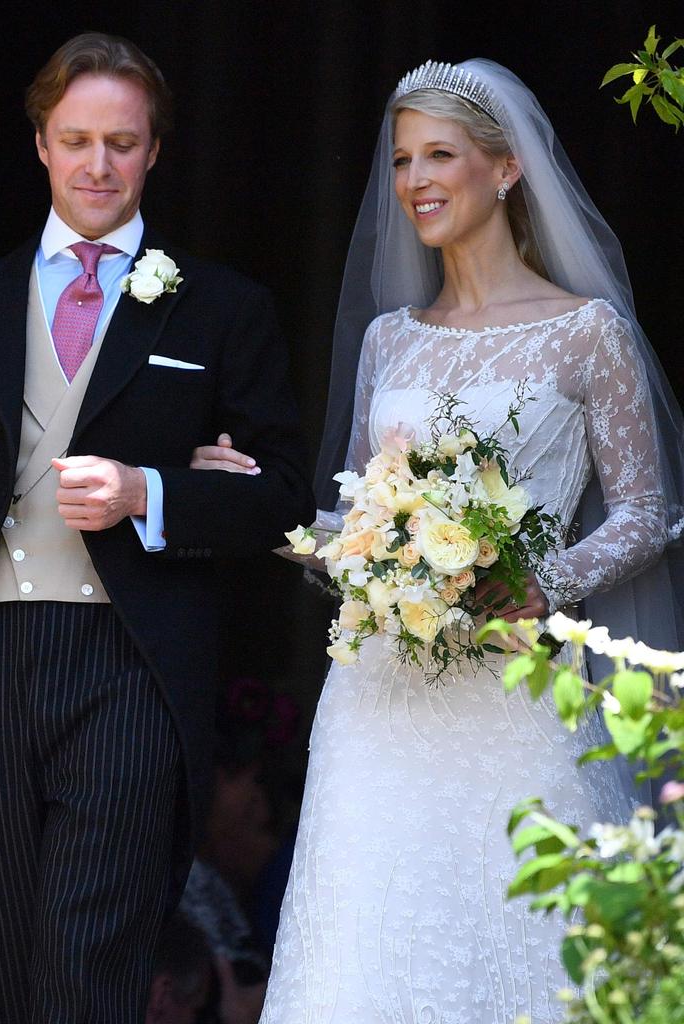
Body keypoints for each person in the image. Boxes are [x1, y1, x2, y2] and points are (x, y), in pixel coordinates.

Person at [198, 59, 684, 1021]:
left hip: (516, 692)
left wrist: (539, 582)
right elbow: (355, 522)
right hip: (376, 704)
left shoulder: (587, 333)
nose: (415, 181)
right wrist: (264, 507)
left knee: (523, 948)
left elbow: (648, 511)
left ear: (506, 168)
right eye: (401, 161)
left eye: (439, 157)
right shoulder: (391, 339)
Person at [0, 32, 313, 1024]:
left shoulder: (221, 310)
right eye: (78, 139)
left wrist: (153, 490)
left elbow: (285, 499)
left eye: (123, 143)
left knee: (87, 973)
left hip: (129, 660)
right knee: (3, 976)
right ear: (41, 144)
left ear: (156, 152)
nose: (100, 164)